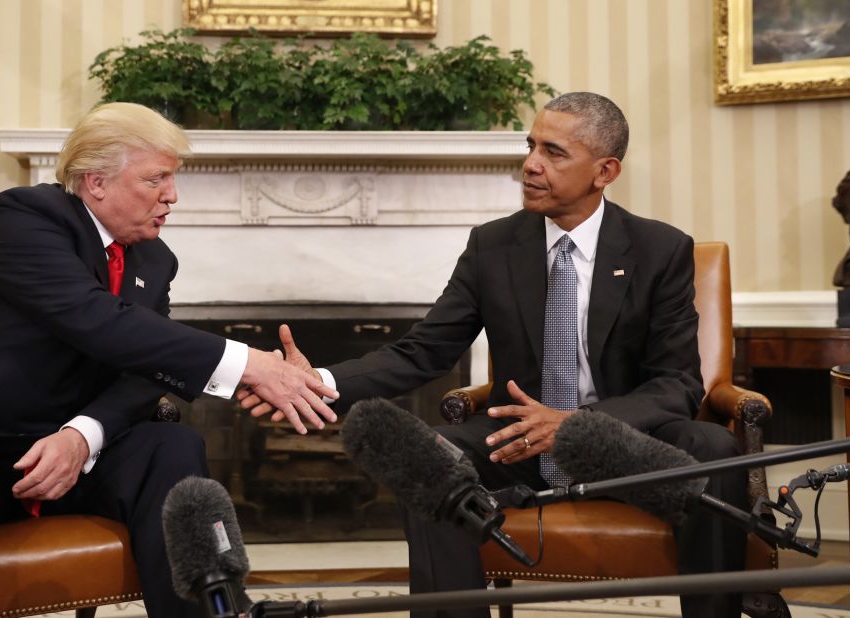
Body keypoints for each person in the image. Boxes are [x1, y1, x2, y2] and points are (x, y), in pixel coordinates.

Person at [242, 92, 748, 618]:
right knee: (428, 456)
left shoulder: (658, 249)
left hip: (628, 441)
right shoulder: (493, 246)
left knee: (712, 444)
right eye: (531, 146)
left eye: (553, 153)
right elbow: (423, 350)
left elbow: (677, 383)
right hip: (517, 444)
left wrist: (576, 425)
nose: (529, 165)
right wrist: (317, 381)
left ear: (605, 171)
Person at [0, 102, 338, 618]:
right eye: (156, 179)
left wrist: (81, 436)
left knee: (172, 445)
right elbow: (98, 321)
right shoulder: (23, 218)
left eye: (172, 180)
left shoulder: (154, 258)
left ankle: (210, 612)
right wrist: (250, 365)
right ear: (96, 182)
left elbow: (143, 366)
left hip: (68, 456)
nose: (171, 196)